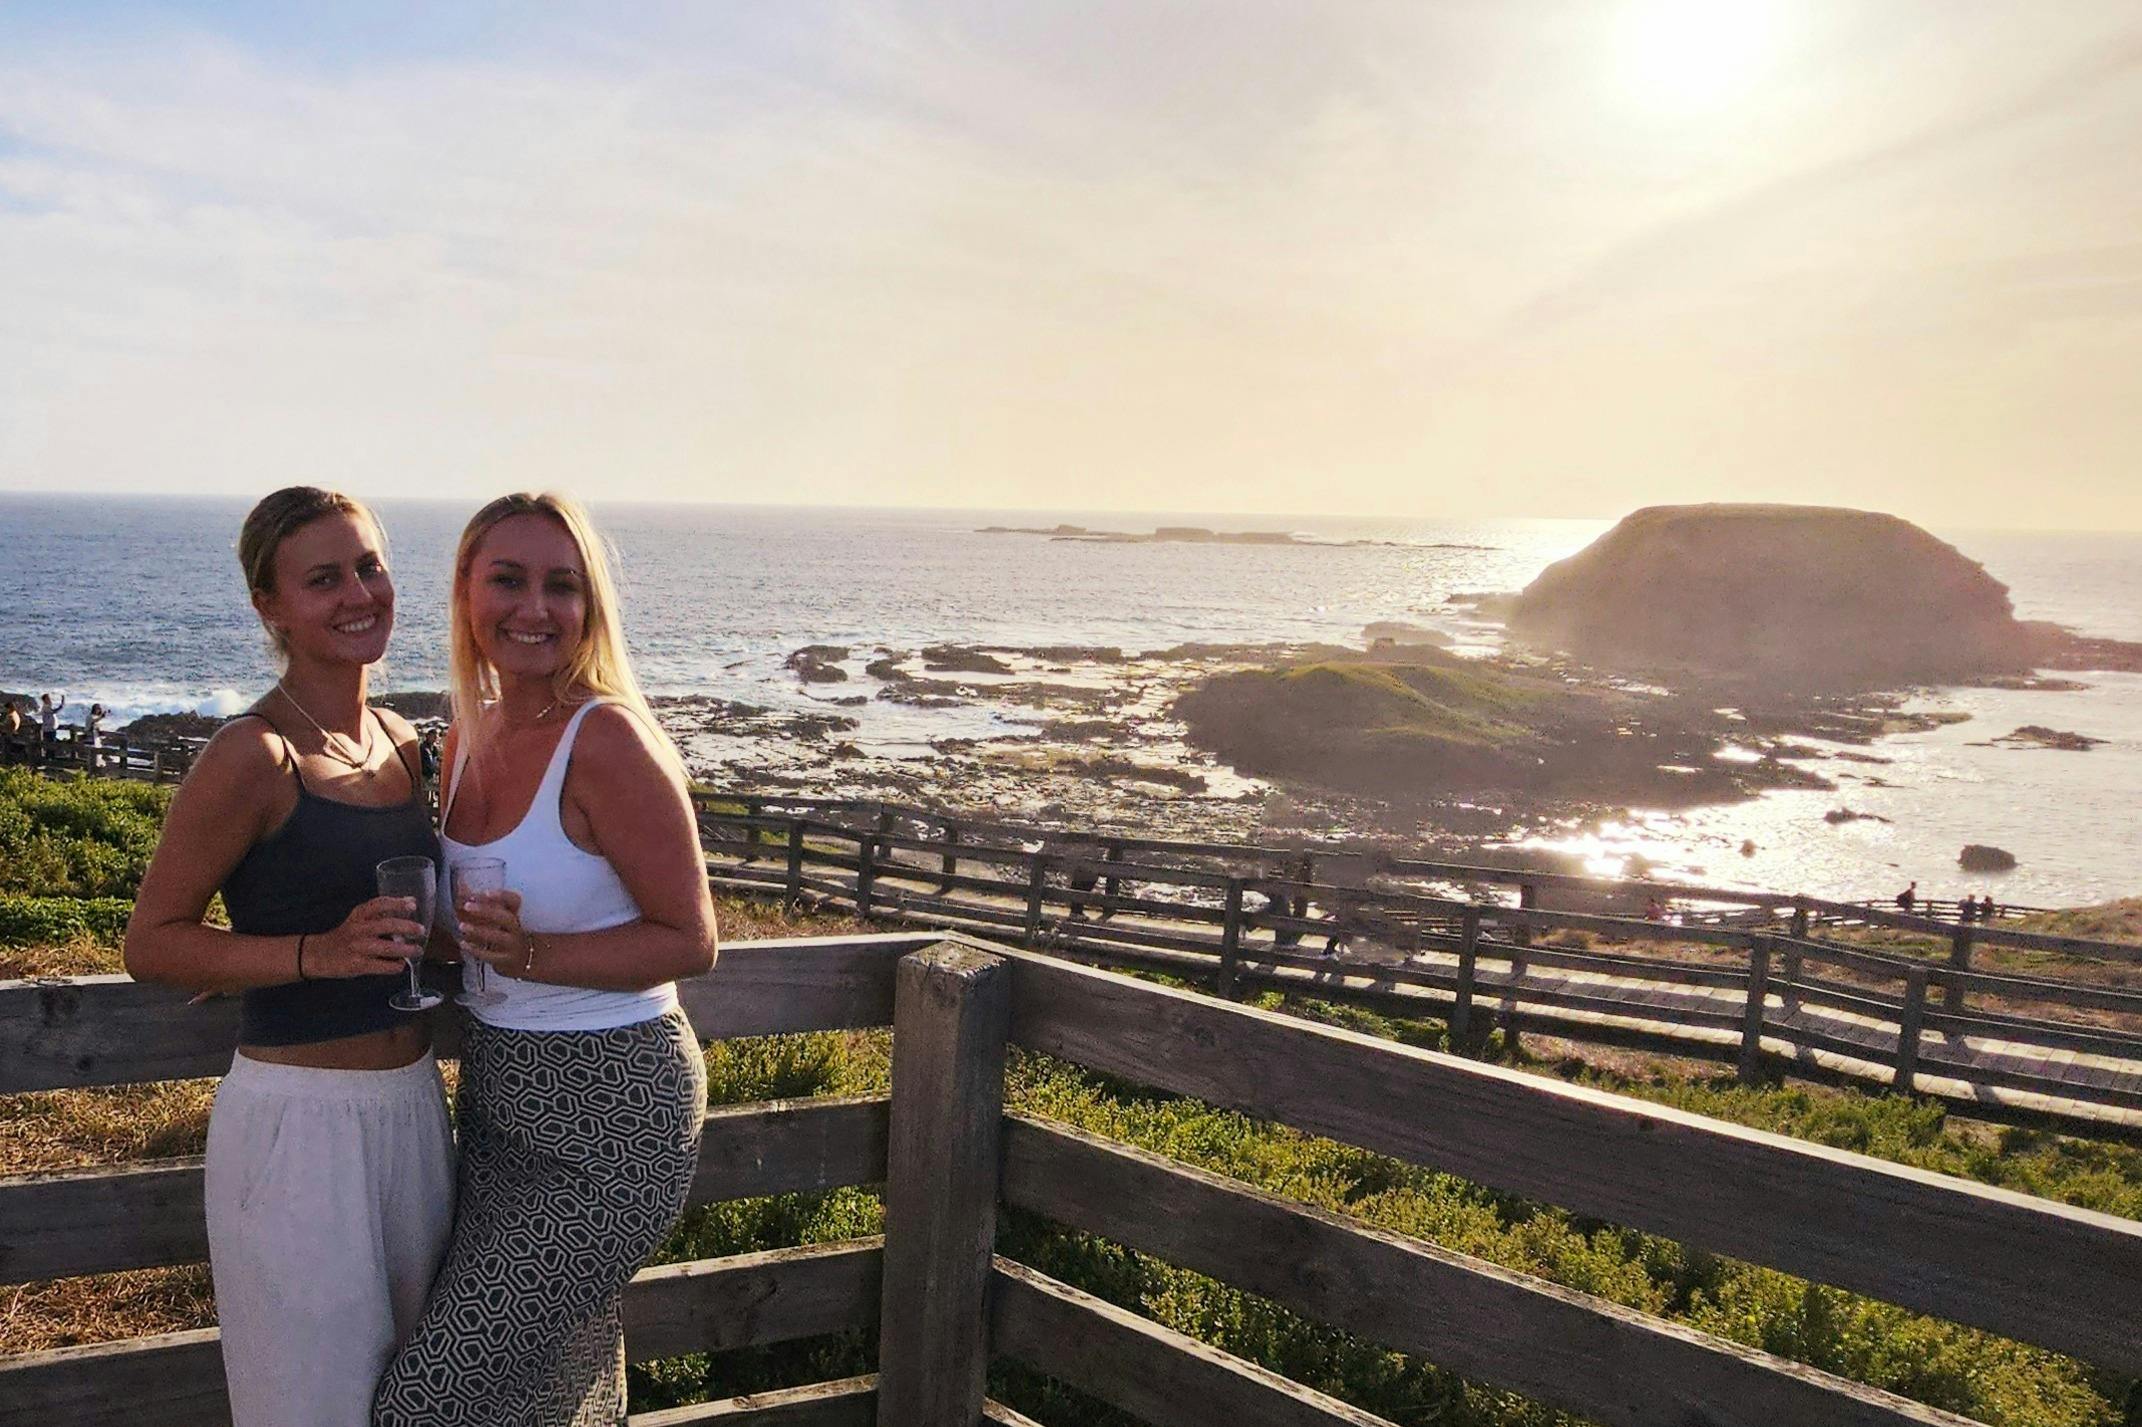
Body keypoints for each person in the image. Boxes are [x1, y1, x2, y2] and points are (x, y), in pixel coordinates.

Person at [374, 492, 716, 1427]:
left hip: (614, 1110)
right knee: (548, 1390)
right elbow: (474, 934)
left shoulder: (606, 738)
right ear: (465, 593)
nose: (535, 607)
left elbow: (692, 938)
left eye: (561, 585)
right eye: (509, 579)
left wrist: (533, 952)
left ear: (589, 606)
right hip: (500, 1096)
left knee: (430, 1404)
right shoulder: (464, 737)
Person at [122, 488, 452, 1427]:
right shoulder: (251, 754)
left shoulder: (403, 744)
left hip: (416, 1111)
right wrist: (319, 952)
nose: (359, 593)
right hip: (299, 1129)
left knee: (416, 1405)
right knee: (311, 1409)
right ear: (271, 606)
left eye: (369, 566)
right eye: (323, 578)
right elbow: (152, 941)